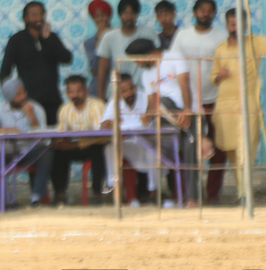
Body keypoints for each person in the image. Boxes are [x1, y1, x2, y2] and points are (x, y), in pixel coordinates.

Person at [126, 38, 193, 207]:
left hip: (183, 111)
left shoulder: (174, 57)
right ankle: (167, 194)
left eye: (138, 60)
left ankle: (192, 198)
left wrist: (187, 110)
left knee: (190, 152)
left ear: (149, 54)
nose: (137, 64)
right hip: (164, 118)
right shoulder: (146, 74)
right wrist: (146, 116)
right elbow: (151, 104)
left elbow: (185, 85)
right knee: (160, 150)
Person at [171, 0, 225, 202]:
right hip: (188, 103)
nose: (205, 13)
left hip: (214, 99)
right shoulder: (182, 35)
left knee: (217, 148)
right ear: (194, 12)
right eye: (202, 10)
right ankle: (186, 193)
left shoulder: (221, 36)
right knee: (186, 147)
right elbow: (173, 65)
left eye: (210, 10)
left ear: (214, 14)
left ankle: (212, 194)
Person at [210, 8, 265, 202]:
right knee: (231, 150)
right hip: (224, 104)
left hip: (247, 103)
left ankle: (246, 194)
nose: (236, 28)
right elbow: (212, 78)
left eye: (240, 24)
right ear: (227, 25)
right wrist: (219, 75)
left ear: (245, 25)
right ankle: (241, 192)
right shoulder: (220, 48)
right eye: (233, 24)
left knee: (247, 147)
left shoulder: (255, 42)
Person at [0, 1, 73, 126]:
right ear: (25, 18)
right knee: (31, 134)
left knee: (54, 134)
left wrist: (49, 38)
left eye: (41, 14)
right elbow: (5, 72)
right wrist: (13, 98)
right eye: (34, 15)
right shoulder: (16, 40)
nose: (38, 18)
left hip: (52, 100)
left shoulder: (51, 37)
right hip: (28, 101)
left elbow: (67, 59)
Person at [0, 77, 53, 208]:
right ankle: (4, 200)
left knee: (47, 152)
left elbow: (44, 138)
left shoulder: (36, 108)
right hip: (7, 154)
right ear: (9, 97)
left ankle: (36, 197)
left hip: (30, 153)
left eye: (24, 92)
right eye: (18, 95)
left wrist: (31, 117)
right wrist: (5, 130)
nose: (23, 96)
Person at [100, 73, 156, 206]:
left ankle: (154, 194)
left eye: (131, 88)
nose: (129, 93)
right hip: (131, 146)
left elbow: (152, 120)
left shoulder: (145, 98)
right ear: (119, 93)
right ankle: (114, 188)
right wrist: (108, 123)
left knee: (153, 154)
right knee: (109, 148)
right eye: (124, 91)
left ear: (135, 87)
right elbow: (103, 125)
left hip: (148, 144)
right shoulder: (114, 103)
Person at [50, 75, 106, 205]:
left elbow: (100, 135)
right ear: (67, 93)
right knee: (55, 153)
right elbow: (61, 133)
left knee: (98, 151)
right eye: (71, 92)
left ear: (86, 91)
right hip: (76, 146)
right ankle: (60, 195)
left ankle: (97, 194)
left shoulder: (96, 105)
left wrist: (73, 144)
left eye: (79, 91)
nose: (75, 95)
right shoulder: (64, 109)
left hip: (94, 145)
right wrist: (59, 143)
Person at [97, 0, 158, 99]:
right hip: (118, 93)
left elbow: (157, 63)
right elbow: (102, 70)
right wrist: (100, 98)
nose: (128, 17)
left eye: (132, 13)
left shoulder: (149, 33)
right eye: (125, 13)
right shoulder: (109, 36)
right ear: (120, 14)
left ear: (137, 14)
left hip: (144, 92)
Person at [83, 0, 112, 97]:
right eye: (96, 16)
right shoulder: (89, 43)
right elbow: (96, 67)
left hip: (116, 85)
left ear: (108, 15)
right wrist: (100, 40)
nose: (100, 19)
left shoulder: (118, 35)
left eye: (103, 15)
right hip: (96, 89)